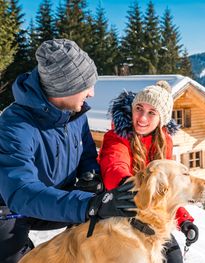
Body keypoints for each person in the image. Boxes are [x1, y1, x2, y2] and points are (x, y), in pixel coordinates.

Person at [0, 39, 136, 263]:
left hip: (59, 198)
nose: (92, 93)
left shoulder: (75, 113)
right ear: (64, 89)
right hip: (11, 207)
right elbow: (21, 192)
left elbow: (87, 155)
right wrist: (87, 205)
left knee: (103, 226)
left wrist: (90, 178)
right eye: (86, 86)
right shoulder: (14, 126)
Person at [98, 81, 199, 263]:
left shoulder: (164, 142)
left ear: (162, 119)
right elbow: (114, 168)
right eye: (139, 108)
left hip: (150, 216)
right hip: (120, 211)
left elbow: (167, 190)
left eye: (151, 112)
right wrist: (133, 185)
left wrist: (184, 220)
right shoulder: (118, 136)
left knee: (174, 257)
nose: (142, 118)